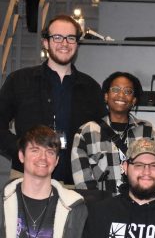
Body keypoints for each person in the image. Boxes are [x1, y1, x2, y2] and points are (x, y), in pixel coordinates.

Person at [0, 14, 105, 184]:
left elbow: (101, 134)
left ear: (77, 44)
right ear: (46, 42)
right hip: (27, 179)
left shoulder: (91, 87)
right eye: (57, 37)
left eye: (70, 38)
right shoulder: (19, 80)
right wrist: (22, 148)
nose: (64, 43)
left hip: (77, 181)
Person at [71, 71, 155, 195]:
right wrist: (99, 205)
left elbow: (154, 170)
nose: (121, 95)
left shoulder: (147, 130)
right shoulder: (87, 132)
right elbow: (82, 181)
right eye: (115, 89)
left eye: (128, 91)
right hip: (102, 207)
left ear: (134, 100)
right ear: (106, 96)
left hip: (139, 206)